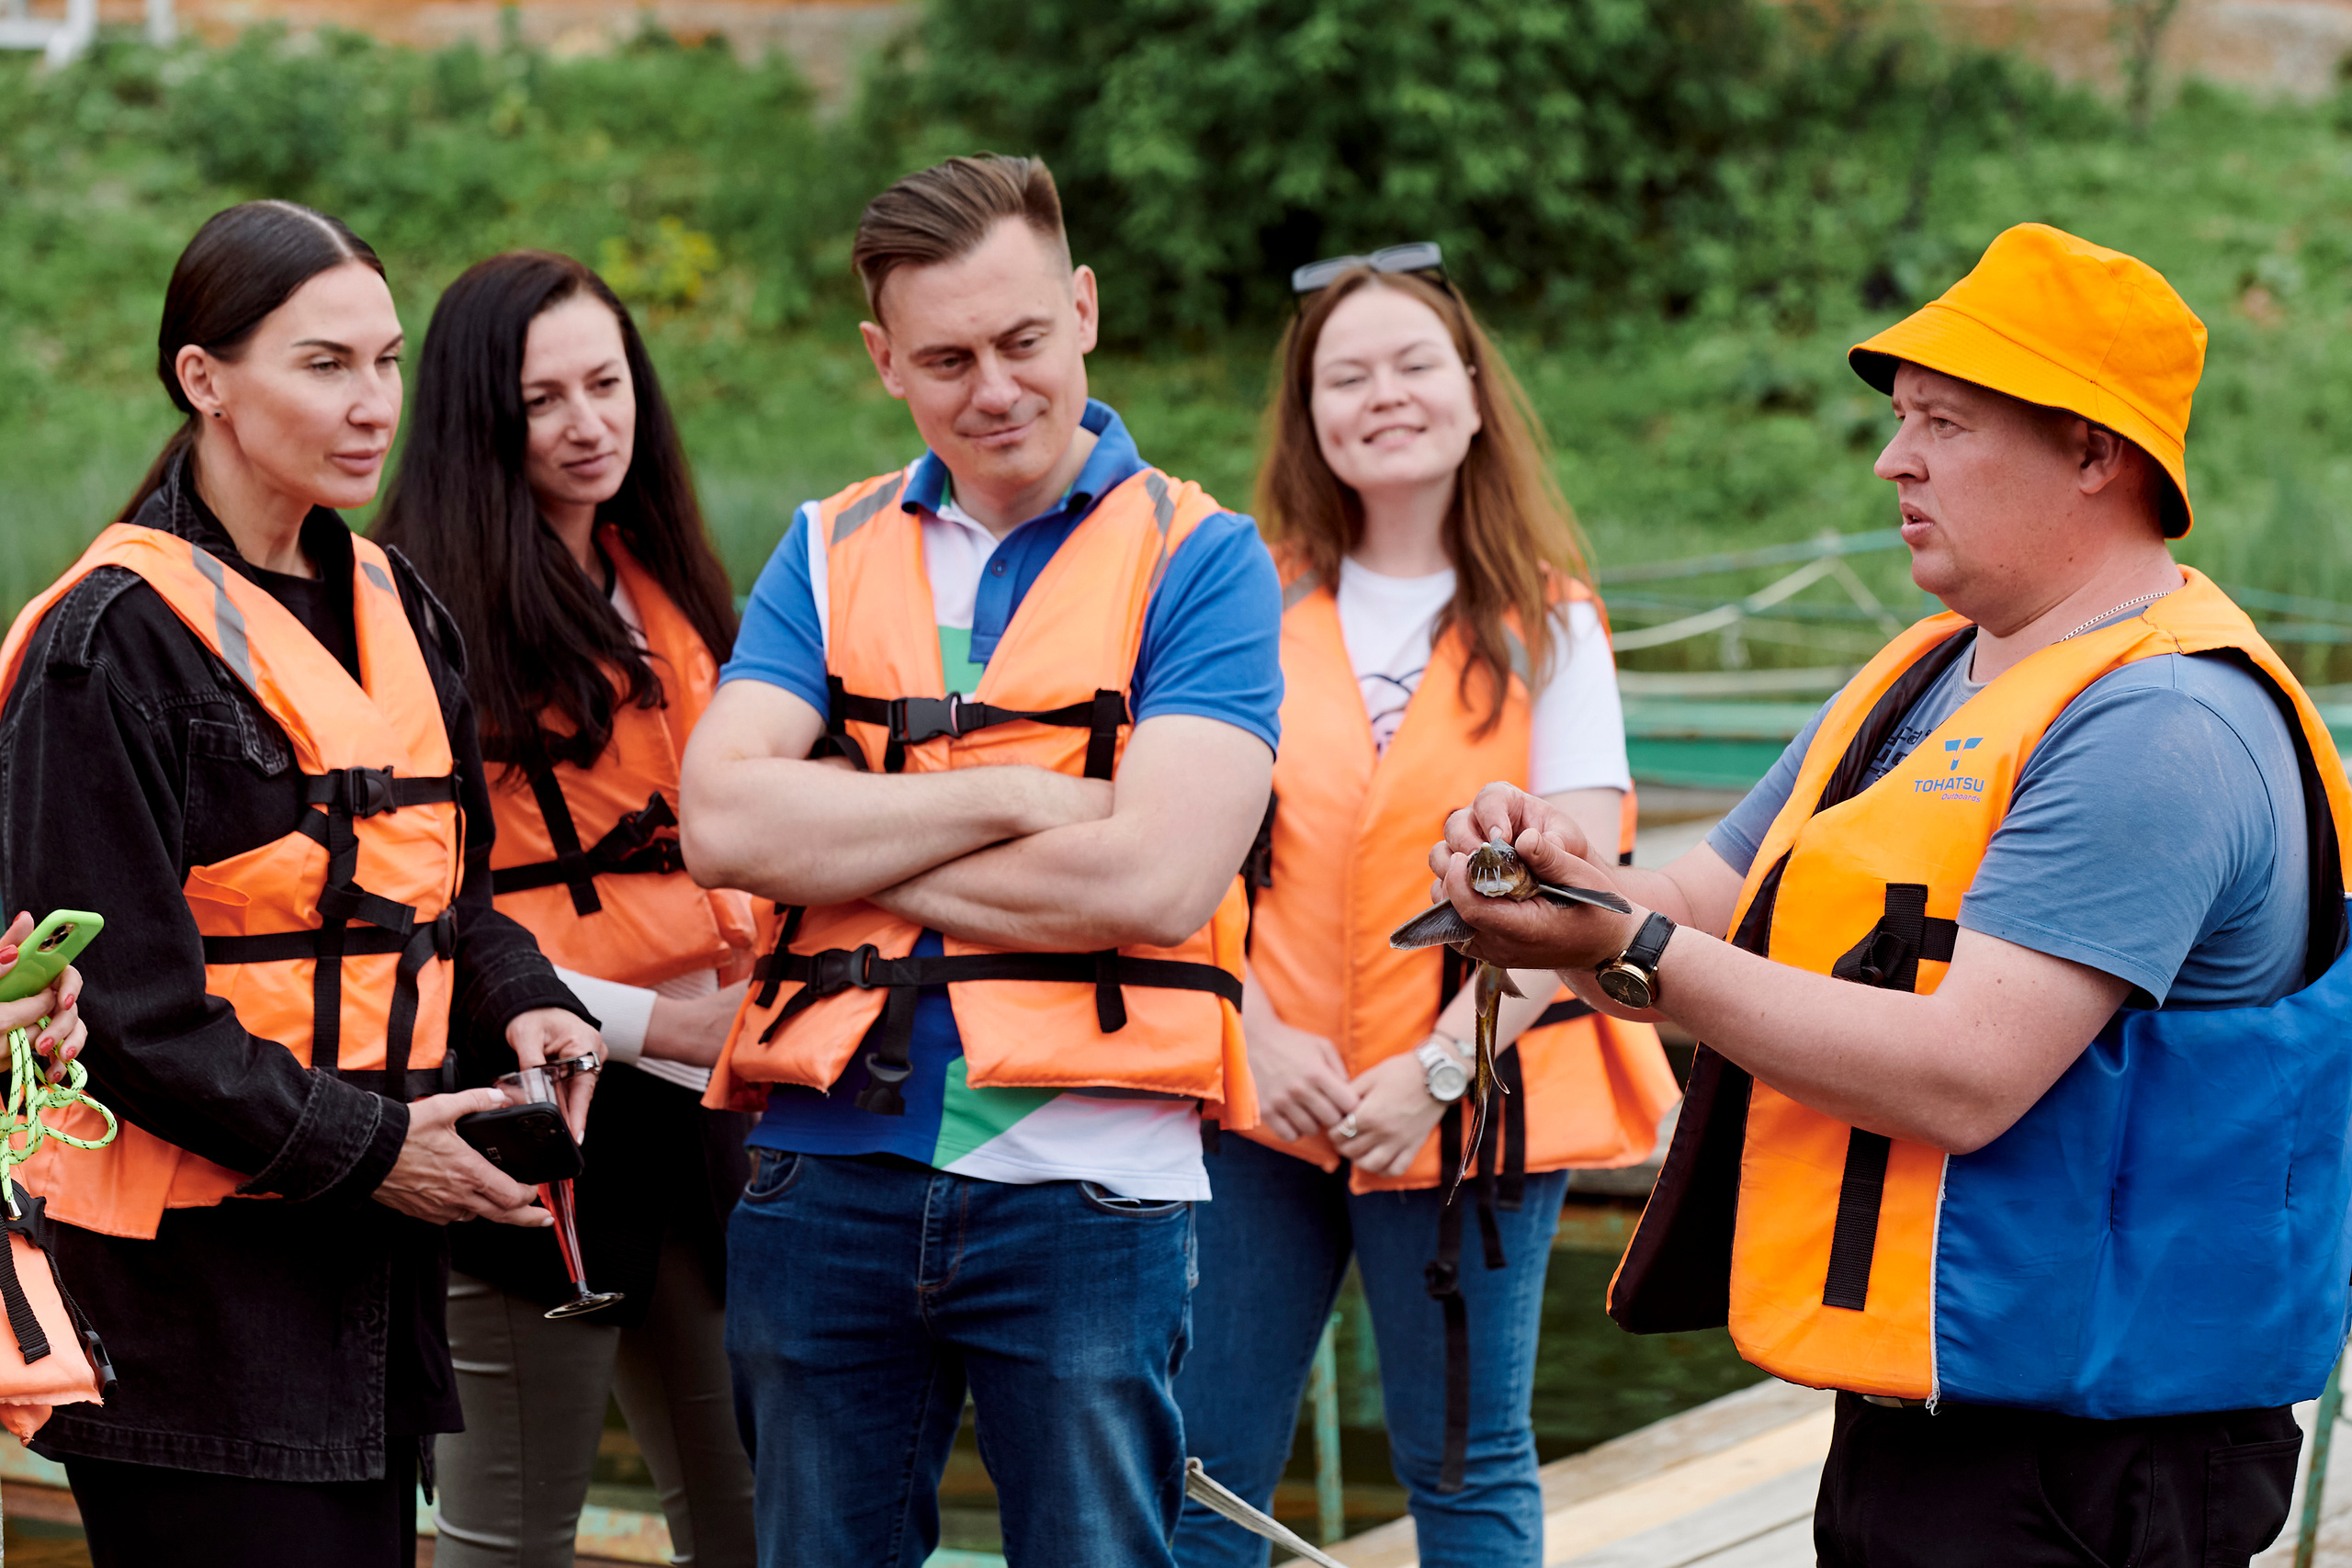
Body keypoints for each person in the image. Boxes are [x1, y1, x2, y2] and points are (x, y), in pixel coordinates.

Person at [1432, 222, 2352, 1568]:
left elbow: (1964, 1075)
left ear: (2095, 452)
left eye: (1943, 422)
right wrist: (1557, 885)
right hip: (1913, 1412)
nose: (1892, 458)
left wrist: (1623, 948)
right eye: (1904, 419)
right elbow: (1686, 906)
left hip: (2094, 1461)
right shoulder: (1925, 672)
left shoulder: (2162, 725)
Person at [679, 153, 1282, 1568]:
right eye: (946, 359)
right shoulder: (825, 547)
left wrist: (846, 829)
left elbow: (1156, 882)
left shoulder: (1205, 558)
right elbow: (721, 825)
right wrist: (1034, 793)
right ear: (884, 361)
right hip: (819, 1177)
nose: (995, 389)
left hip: (1091, 1181)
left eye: (1022, 341)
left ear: (1082, 308)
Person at [0, 200, 603, 1568]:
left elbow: (450, 897)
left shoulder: (404, 603)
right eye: (324, 365)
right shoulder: (107, 646)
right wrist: (387, 1153)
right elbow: (130, 1018)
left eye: (387, 362)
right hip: (185, 1317)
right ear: (204, 380)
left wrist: (527, 997)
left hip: (371, 1293)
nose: (373, 404)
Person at [1170, 250, 1677, 1568]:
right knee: (1203, 1467)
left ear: (1469, 390)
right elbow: (1185, 850)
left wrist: (1442, 1068)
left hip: (1476, 1105)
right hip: (1259, 1097)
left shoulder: (1552, 625)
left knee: (1465, 1463)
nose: (1382, 395)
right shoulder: (1241, 602)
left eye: (1411, 364)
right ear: (1311, 415)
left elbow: (1586, 891)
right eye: (1347, 375)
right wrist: (1256, 1032)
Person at [375, 251, 759, 1568]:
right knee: (506, 1536)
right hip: (536, 1102)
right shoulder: (411, 613)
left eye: (608, 384)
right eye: (545, 399)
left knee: (753, 1508)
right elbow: (418, 918)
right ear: (483, 415)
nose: (589, 423)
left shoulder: (666, 583)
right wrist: (663, 1019)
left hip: (707, 1115)